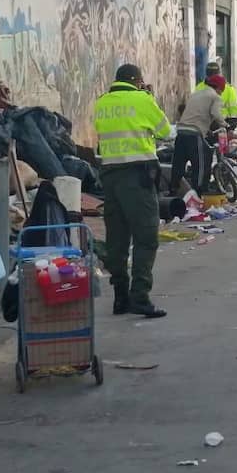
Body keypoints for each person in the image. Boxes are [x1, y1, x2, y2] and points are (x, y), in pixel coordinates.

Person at [95, 64, 171, 319]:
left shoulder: (102, 102)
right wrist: (150, 98)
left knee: (117, 238)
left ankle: (120, 296)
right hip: (137, 176)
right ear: (138, 81)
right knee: (145, 236)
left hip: (109, 176)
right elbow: (166, 131)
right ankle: (140, 296)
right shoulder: (142, 99)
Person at [171, 73, 228, 195]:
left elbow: (195, 114)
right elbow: (216, 114)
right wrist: (225, 125)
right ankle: (199, 193)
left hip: (181, 132)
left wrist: (207, 130)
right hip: (194, 134)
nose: (221, 93)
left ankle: (173, 191)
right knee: (201, 165)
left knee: (178, 164)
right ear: (219, 88)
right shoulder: (215, 97)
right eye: (222, 90)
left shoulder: (196, 94)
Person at [196, 62, 237, 128]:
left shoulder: (228, 88)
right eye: (211, 75)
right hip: (206, 124)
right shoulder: (199, 87)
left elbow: (234, 110)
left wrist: (231, 126)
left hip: (223, 124)